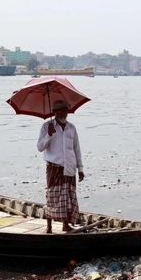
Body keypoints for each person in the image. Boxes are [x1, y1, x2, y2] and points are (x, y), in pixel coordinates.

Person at [36, 100, 85, 233]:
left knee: (67, 197)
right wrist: (49, 135)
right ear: (55, 112)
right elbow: (40, 147)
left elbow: (76, 149)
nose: (63, 113)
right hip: (54, 167)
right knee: (52, 196)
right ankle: (49, 227)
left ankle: (65, 224)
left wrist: (80, 168)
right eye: (60, 110)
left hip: (69, 167)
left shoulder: (71, 128)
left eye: (65, 110)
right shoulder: (47, 126)